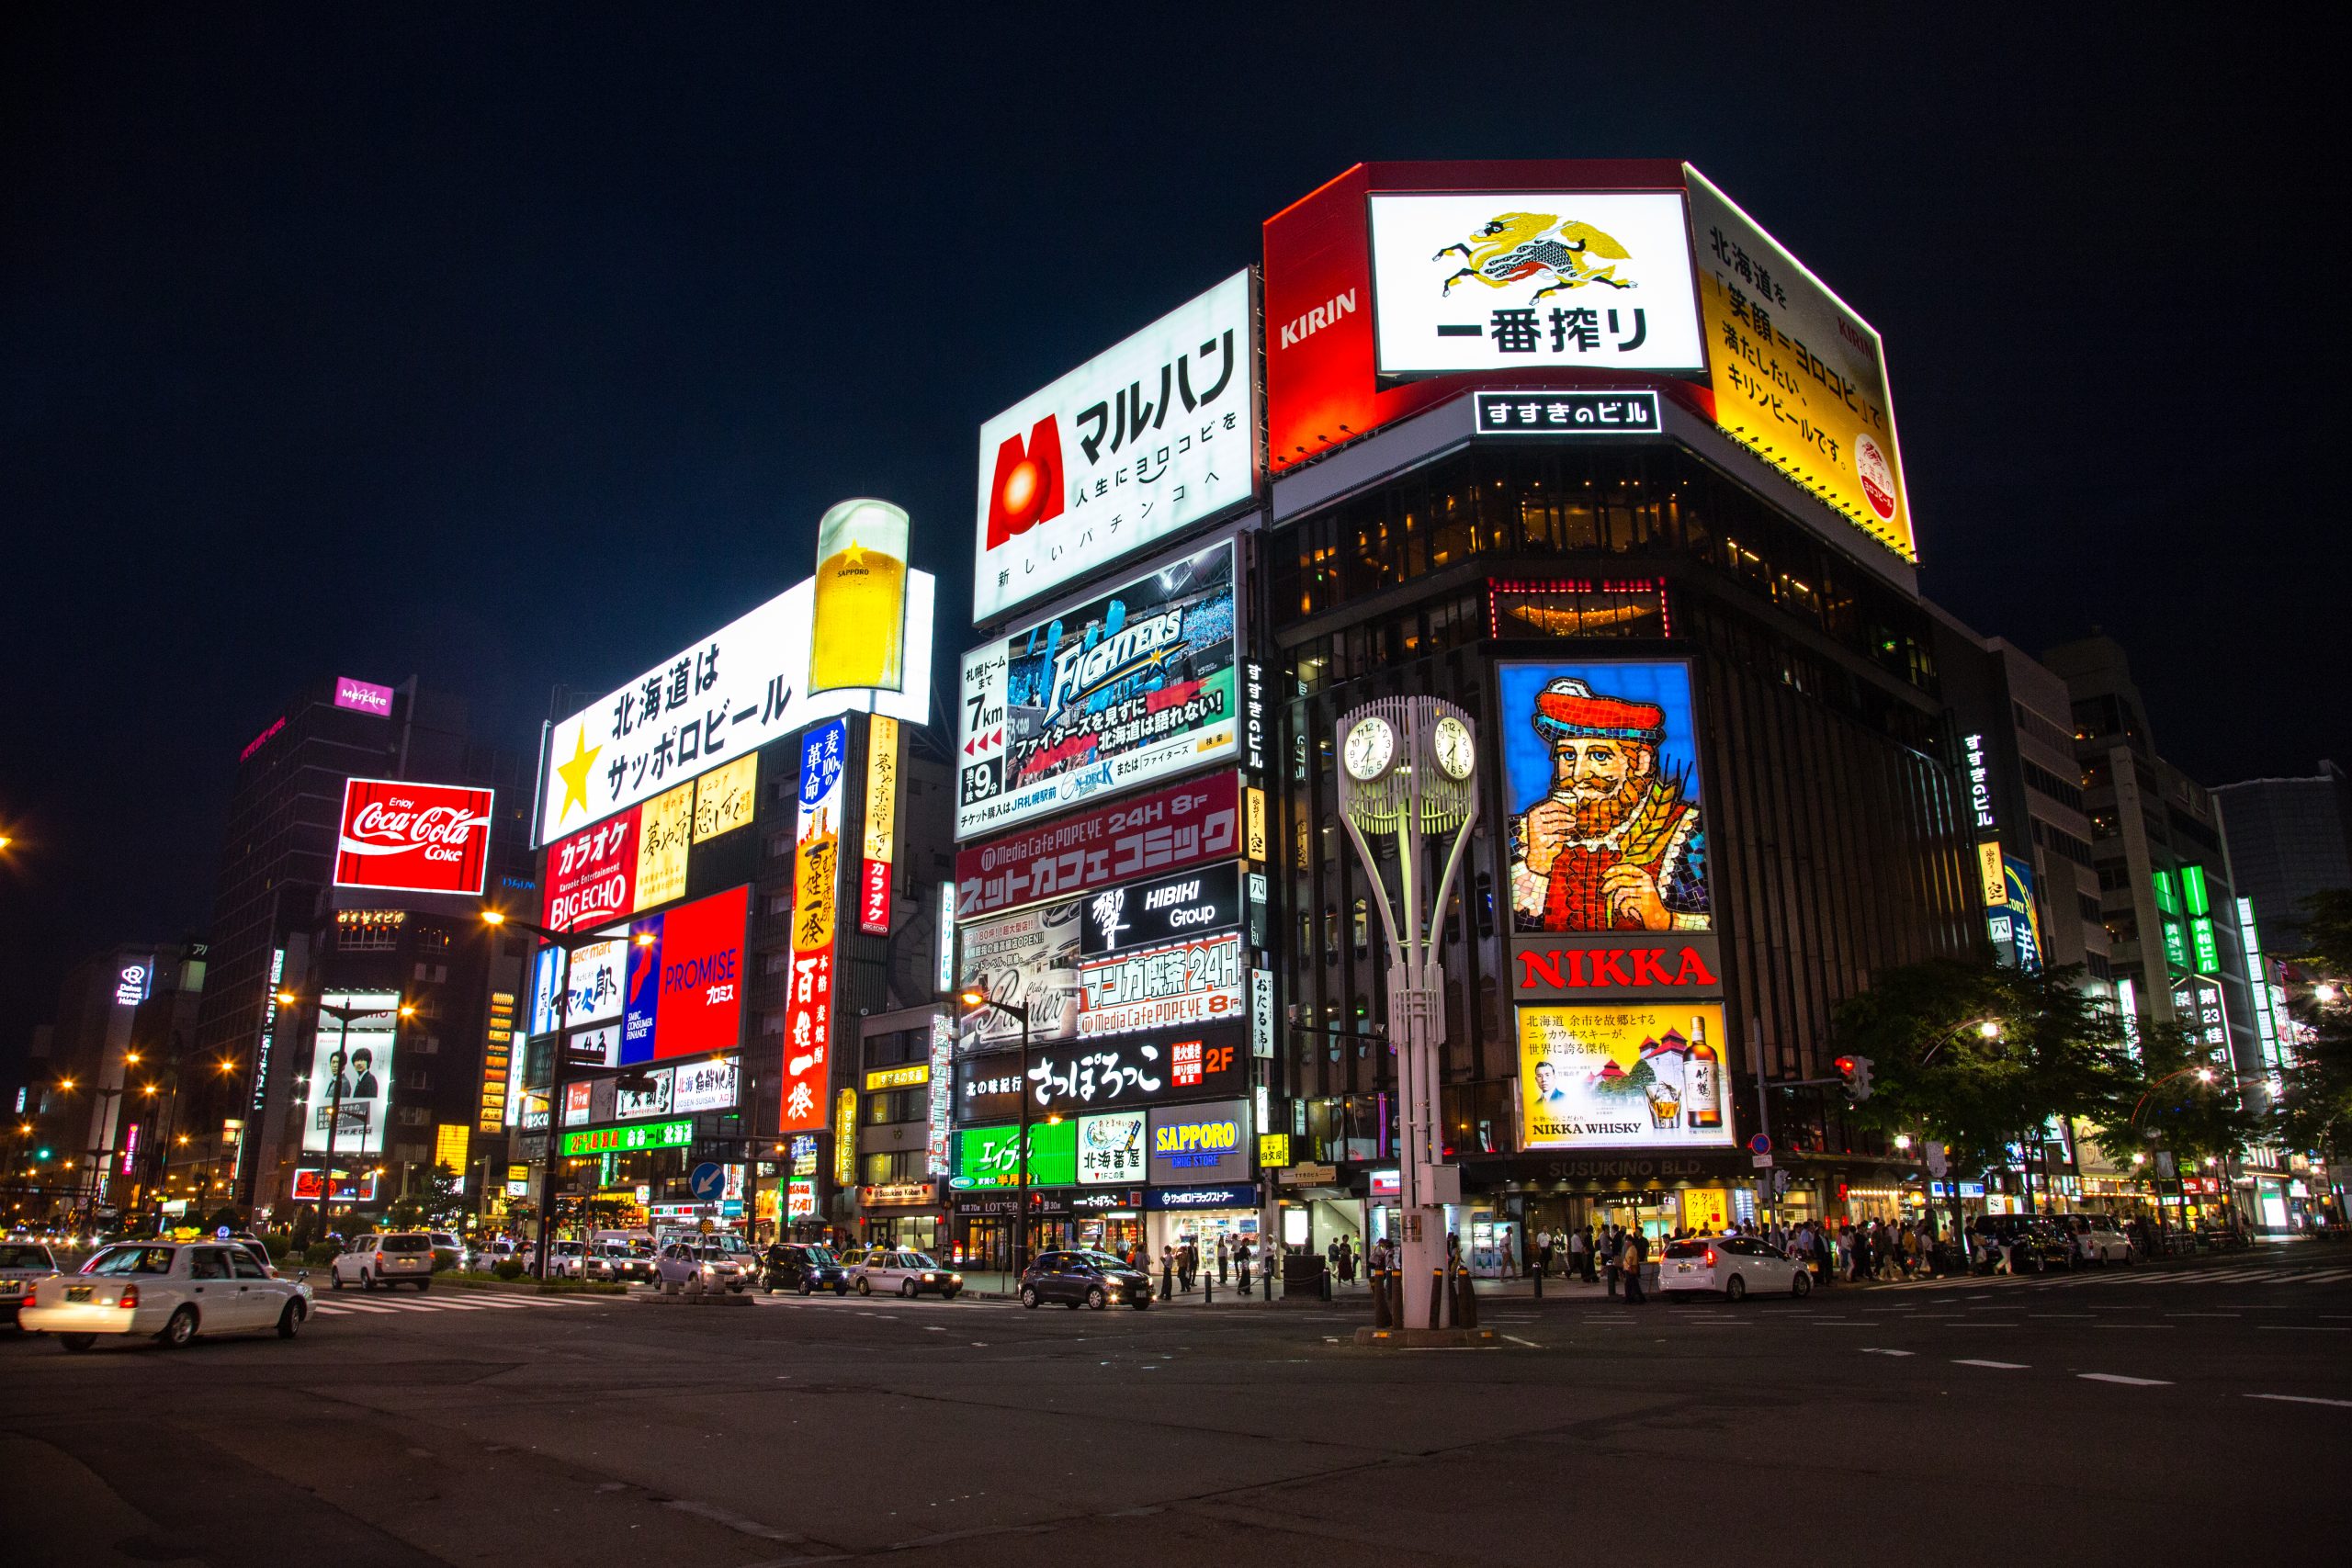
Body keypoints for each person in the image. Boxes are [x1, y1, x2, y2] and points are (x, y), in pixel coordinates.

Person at [1509, 675, 1708, 932]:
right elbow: (1499, 934)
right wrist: (1534, 868)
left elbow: (1723, 933)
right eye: (1567, 756)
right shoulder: (1521, 834)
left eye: (1599, 756)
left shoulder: (1689, 834)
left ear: (1641, 763)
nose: (1578, 774)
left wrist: (1664, 918)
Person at [1621, 1228, 1648, 1304]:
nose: (1626, 1243)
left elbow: (1630, 1259)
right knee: (1633, 1285)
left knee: (1631, 1285)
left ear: (1630, 1241)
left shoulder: (1632, 1249)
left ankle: (1632, 1299)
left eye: (1627, 1241)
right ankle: (1633, 1298)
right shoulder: (1630, 1248)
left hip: (1630, 1269)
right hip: (1629, 1269)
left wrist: (1629, 1267)